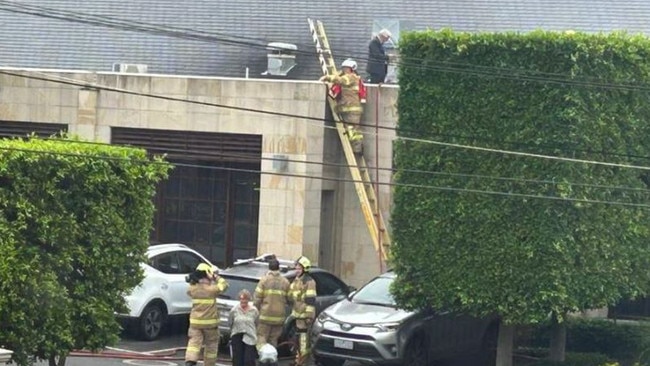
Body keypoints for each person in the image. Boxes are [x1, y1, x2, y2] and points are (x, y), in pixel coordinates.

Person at [184, 263, 229, 366]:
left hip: (195, 323)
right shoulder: (212, 290)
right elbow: (225, 285)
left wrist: (194, 279)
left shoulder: (192, 289)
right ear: (207, 274)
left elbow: (190, 288)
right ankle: (209, 364)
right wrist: (215, 277)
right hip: (210, 324)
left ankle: (190, 361)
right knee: (211, 345)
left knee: (194, 343)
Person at [319, 59, 364, 153]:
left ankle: (357, 148)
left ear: (351, 69)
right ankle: (357, 147)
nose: (344, 70)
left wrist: (326, 77)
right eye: (343, 68)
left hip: (351, 109)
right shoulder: (351, 77)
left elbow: (340, 80)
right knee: (352, 129)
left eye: (346, 68)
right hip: (348, 108)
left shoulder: (351, 77)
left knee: (352, 129)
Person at [254, 258, 291, 349]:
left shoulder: (264, 280)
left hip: (265, 316)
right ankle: (271, 359)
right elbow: (290, 298)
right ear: (279, 268)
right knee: (273, 340)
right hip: (279, 317)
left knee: (261, 338)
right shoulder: (285, 282)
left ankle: (262, 358)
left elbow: (257, 298)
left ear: (269, 268)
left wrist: (255, 311)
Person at [288, 256, 317, 366]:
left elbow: (310, 300)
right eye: (296, 267)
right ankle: (298, 360)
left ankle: (302, 362)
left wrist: (309, 316)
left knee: (304, 341)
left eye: (299, 267)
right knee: (298, 340)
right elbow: (292, 295)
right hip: (298, 315)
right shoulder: (297, 280)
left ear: (305, 268)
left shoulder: (309, 282)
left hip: (304, 317)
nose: (296, 269)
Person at [228, 289, 259, 366]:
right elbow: (230, 322)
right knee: (237, 360)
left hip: (250, 336)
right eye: (241, 301)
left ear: (248, 300)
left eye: (245, 301)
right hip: (237, 335)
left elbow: (257, 323)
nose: (243, 303)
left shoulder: (254, 310)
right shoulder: (234, 310)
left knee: (249, 360)